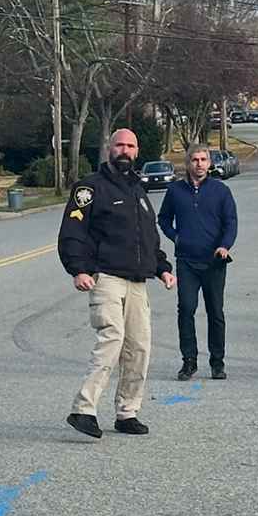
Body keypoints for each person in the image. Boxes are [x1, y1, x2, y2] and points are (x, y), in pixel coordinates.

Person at [60, 129, 176, 439]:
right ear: (109, 148)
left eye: (131, 146)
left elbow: (148, 237)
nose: (125, 150)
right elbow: (72, 232)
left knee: (139, 347)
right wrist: (78, 270)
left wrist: (162, 268)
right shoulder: (89, 188)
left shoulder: (138, 190)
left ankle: (127, 412)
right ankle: (84, 409)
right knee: (111, 339)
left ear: (137, 152)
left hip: (137, 282)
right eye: (120, 145)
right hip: (106, 278)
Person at [157, 143, 238, 381]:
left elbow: (231, 222)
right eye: (195, 160)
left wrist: (225, 245)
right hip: (187, 261)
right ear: (187, 163)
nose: (199, 164)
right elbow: (163, 219)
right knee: (186, 310)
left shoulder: (220, 191)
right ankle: (189, 361)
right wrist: (176, 237)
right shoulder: (175, 191)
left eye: (203, 160)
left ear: (209, 163)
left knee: (215, 312)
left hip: (214, 262)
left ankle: (217, 363)